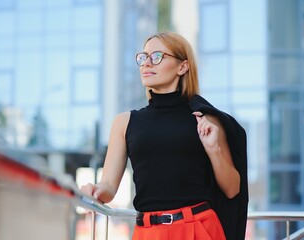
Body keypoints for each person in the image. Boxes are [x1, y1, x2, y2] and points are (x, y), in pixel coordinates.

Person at [81, 31, 247, 240]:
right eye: (143, 58)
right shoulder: (124, 123)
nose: (147, 64)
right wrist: (93, 190)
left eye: (157, 56)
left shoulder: (205, 120)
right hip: (147, 233)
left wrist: (214, 150)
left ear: (182, 66)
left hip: (198, 230)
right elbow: (108, 187)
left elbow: (232, 190)